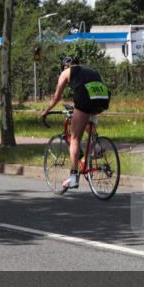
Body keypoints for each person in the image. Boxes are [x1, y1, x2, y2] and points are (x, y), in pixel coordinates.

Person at [40, 56, 111, 192]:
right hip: (103, 99)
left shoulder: (66, 72)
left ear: (64, 66)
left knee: (74, 138)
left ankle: (73, 177)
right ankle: (96, 148)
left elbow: (56, 97)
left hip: (86, 99)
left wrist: (46, 111)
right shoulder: (90, 70)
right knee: (85, 122)